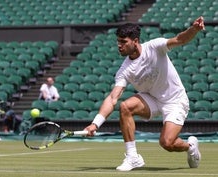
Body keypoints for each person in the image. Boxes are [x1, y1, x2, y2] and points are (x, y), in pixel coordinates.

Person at [85, 16, 205, 171]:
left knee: (167, 143)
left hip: (175, 100)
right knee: (125, 107)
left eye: (123, 42)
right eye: (118, 42)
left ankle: (190, 147)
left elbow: (179, 39)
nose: (119, 46)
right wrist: (95, 123)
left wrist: (193, 29)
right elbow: (113, 98)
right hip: (152, 98)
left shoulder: (154, 46)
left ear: (135, 41)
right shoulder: (124, 70)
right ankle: (132, 157)